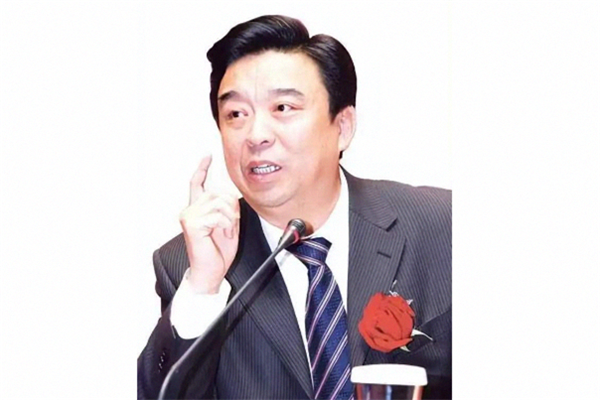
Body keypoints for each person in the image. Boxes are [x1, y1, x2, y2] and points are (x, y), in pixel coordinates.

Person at [137, 15, 451, 400]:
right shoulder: (189, 265)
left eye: (283, 107)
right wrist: (203, 288)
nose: (256, 135)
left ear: (342, 127)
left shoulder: (442, 226)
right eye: (236, 114)